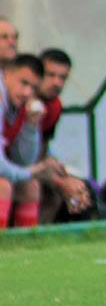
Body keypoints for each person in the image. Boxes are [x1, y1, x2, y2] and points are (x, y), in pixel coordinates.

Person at [32, 49, 94, 223]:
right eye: (50, 75)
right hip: (11, 167)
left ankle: (45, 235)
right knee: (39, 187)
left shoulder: (54, 107)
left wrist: (57, 171)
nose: (56, 83)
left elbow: (41, 151)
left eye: (63, 77)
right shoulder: (20, 102)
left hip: (30, 166)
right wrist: (58, 181)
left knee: (79, 188)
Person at [1, 54, 62, 229]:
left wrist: (31, 125)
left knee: (30, 187)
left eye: (33, 88)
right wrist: (35, 170)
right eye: (24, 83)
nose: (27, 92)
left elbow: (23, 160)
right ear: (7, 74)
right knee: (2, 187)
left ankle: (25, 243)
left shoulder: (19, 103)